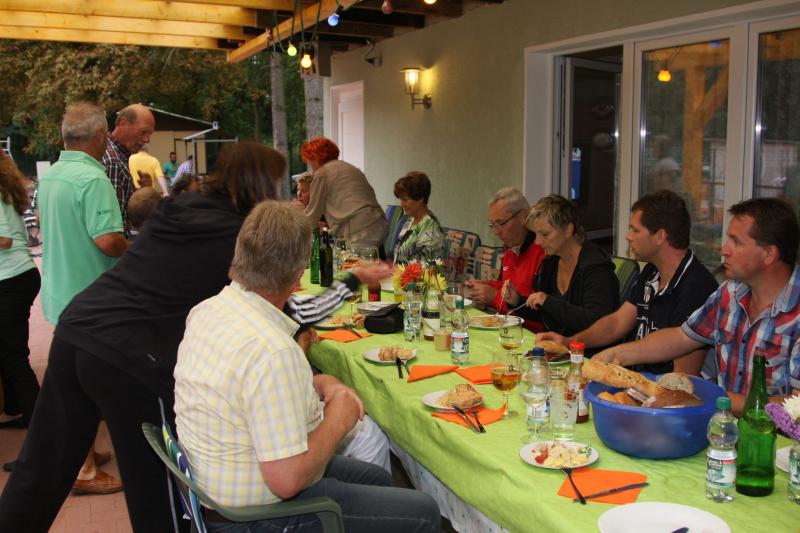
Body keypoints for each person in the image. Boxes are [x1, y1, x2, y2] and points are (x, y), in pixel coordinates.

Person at [0, 141, 391, 533]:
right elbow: (291, 314)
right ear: (260, 185)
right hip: (129, 355)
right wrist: (352, 281)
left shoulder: (179, 206)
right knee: (156, 491)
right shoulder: (236, 236)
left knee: (40, 468)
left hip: (78, 325)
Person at [175, 200, 441, 533]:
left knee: (374, 477)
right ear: (299, 273)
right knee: (424, 511)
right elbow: (286, 481)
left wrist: (316, 383)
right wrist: (338, 419)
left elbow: (244, 389)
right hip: (253, 517)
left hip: (220, 484)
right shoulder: (273, 350)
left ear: (241, 254)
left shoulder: (208, 311)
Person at [593, 197, 800, 415]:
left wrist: (713, 399)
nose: (724, 250)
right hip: (723, 424)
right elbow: (682, 337)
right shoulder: (730, 292)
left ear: (769, 253)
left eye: (736, 242)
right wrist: (619, 354)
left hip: (773, 434)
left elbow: (796, 406)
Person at [26, 102, 128, 495]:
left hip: (61, 293)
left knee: (75, 380)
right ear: (101, 136)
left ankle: (84, 455)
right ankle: (84, 469)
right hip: (90, 298)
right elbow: (107, 240)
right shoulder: (92, 179)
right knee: (86, 385)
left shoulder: (52, 175)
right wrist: (133, 250)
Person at [538, 190, 718, 374]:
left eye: (635, 230)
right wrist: (569, 342)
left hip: (657, 389)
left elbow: (683, 379)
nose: (628, 236)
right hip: (634, 380)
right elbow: (617, 323)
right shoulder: (652, 271)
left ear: (660, 236)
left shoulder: (698, 287)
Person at [506, 194, 618, 337]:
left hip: (587, 349)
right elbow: (548, 315)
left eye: (545, 234)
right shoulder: (550, 263)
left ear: (568, 230)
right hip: (557, 346)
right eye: (536, 234)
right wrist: (517, 301)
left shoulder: (596, 268)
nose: (537, 242)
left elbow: (598, 323)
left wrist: (548, 302)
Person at [0, 150, 40, 429]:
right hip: (20, 275)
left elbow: (4, 240)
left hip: (11, 279)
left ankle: (37, 418)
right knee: (8, 350)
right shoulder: (7, 191)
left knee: (14, 355)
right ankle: (15, 407)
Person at [465, 187, 545, 325]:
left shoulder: (544, 253)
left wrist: (493, 297)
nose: (496, 232)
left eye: (500, 223)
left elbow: (540, 314)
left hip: (530, 333)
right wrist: (483, 286)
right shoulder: (510, 248)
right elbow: (506, 286)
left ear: (523, 217)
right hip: (505, 327)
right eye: (492, 225)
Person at [301, 137, 388, 251]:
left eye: (309, 159)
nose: (309, 164)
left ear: (316, 157)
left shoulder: (322, 173)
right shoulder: (350, 168)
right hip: (377, 222)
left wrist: (295, 226)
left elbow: (313, 214)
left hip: (359, 229)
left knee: (353, 262)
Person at [102, 103, 156, 235]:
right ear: (123, 123)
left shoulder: (116, 155)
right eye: (143, 132)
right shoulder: (113, 160)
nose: (147, 140)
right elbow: (114, 225)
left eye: (149, 134)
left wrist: (142, 193)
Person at [392, 171, 445, 263]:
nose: (401, 204)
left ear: (420, 198)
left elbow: (427, 270)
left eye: (405, 200)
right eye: (400, 199)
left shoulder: (431, 231)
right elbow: (398, 255)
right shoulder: (410, 221)